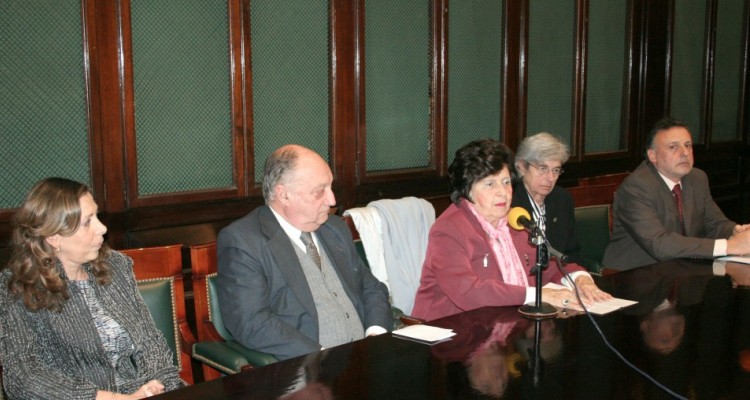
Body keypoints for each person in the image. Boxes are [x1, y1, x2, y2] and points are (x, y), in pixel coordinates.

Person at [0, 178, 181, 400]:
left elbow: (149, 340)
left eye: (97, 215)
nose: (102, 228)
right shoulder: (17, 286)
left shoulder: (115, 265)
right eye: (87, 222)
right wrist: (113, 398)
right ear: (53, 236)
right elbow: (23, 377)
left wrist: (159, 384)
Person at [216, 144, 392, 361]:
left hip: (365, 361)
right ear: (284, 195)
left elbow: (371, 287)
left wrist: (375, 334)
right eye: (320, 191)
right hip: (305, 371)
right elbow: (251, 322)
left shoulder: (335, 228)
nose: (332, 200)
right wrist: (317, 358)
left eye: (330, 187)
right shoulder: (244, 241)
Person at [411, 139, 611, 322]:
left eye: (506, 182)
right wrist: (538, 295)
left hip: (501, 327)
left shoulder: (513, 221)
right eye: (490, 184)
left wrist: (580, 280)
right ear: (467, 190)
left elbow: (548, 267)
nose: (502, 192)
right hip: (449, 334)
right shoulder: (448, 229)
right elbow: (467, 292)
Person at [602, 116, 750, 270]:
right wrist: (729, 246)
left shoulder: (697, 178)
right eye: (674, 147)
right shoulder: (636, 187)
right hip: (635, 277)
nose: (685, 153)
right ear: (652, 155)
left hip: (682, 270)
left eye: (688, 145)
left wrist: (736, 232)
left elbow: (715, 224)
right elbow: (660, 244)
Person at [512, 132, 581, 264]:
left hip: (558, 279)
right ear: (522, 167)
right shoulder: (509, 203)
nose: (550, 178)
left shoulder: (562, 199)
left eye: (556, 170)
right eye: (543, 168)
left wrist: (578, 277)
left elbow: (572, 253)